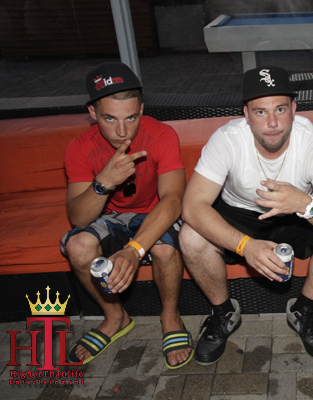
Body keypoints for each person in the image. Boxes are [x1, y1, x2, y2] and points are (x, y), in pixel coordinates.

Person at [179, 66, 313, 365]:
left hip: (295, 215)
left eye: (280, 109)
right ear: (246, 114)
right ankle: (223, 312)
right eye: (260, 112)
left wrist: (305, 204)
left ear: (294, 109)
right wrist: (245, 246)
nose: (273, 123)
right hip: (240, 214)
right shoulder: (227, 138)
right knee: (190, 235)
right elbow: (192, 206)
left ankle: (303, 309)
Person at [60, 62, 193, 369]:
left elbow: (173, 201)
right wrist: (103, 182)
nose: (122, 131)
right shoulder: (79, 148)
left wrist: (134, 250)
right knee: (77, 246)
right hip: (111, 218)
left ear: (141, 110)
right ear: (93, 113)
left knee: (164, 247)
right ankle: (115, 317)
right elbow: (78, 218)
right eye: (110, 118)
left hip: (154, 212)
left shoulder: (161, 134)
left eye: (131, 117)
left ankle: (170, 316)